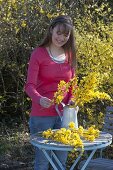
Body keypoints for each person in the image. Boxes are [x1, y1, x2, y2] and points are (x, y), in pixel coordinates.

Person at [25, 15, 77, 170]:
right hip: (41, 117)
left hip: (65, 117)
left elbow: (72, 85)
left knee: (60, 162)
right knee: (43, 161)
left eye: (66, 34)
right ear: (51, 30)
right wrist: (39, 99)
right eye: (58, 33)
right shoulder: (39, 54)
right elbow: (29, 86)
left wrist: (73, 100)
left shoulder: (70, 55)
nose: (61, 38)